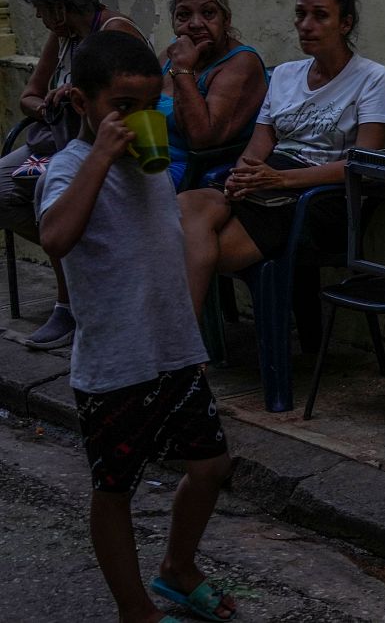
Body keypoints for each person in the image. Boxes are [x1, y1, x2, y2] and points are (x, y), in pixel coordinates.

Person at [36, 30, 237, 623]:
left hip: (173, 352)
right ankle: (135, 609)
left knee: (210, 467)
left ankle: (178, 566)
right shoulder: (72, 168)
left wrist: (189, 337)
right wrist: (97, 156)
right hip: (114, 367)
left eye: (149, 108)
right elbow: (55, 238)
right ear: (82, 105)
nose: (137, 121)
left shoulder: (152, 169)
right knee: (115, 487)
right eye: (122, 108)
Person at [178, 0, 385, 322]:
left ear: (345, 24)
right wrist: (240, 176)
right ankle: (185, 350)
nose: (306, 25)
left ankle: (182, 351)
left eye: (320, 16)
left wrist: (281, 180)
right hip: (269, 181)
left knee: (202, 251)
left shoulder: (371, 78)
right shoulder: (284, 75)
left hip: (319, 195)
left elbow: (365, 162)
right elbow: (257, 149)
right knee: (186, 206)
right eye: (300, 15)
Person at [7, 0, 144, 350]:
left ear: (59, 5)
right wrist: (50, 104)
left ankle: (70, 303)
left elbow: (129, 107)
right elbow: (28, 97)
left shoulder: (114, 33)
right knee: (3, 186)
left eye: (40, 7)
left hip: (103, 144)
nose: (37, 16)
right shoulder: (65, 35)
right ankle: (87, 260)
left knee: (49, 191)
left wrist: (79, 101)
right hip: (58, 137)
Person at [157, 0, 268, 189]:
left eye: (208, 13)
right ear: (173, 21)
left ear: (226, 20)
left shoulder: (241, 62)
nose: (196, 24)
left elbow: (201, 138)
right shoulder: (172, 53)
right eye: (184, 15)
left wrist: (182, 70)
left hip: (192, 169)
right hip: (148, 158)